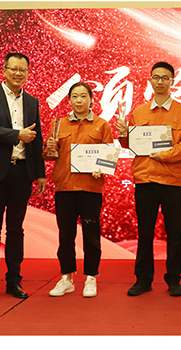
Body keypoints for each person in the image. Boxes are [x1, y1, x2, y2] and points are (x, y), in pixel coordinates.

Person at [116, 62, 181, 296]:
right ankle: (143, 279)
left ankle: (174, 279)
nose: (160, 81)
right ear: (150, 80)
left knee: (174, 233)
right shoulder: (139, 112)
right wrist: (124, 134)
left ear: (172, 82)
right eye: (156, 77)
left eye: (165, 78)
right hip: (146, 180)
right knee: (145, 232)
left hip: (173, 182)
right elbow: (131, 145)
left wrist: (165, 155)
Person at [0, 53, 47, 302]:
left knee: (16, 230)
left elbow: (36, 139)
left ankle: (14, 280)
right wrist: (16, 135)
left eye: (22, 70)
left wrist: (40, 174)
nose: (18, 73)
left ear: (28, 73)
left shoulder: (32, 101)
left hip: (21, 173)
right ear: (4, 70)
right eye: (13, 68)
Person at [43, 82, 114, 298]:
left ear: (91, 99)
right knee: (66, 235)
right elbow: (48, 155)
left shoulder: (102, 125)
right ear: (69, 100)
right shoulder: (59, 124)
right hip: (64, 187)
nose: (79, 100)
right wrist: (50, 148)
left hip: (90, 188)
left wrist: (101, 169)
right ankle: (67, 277)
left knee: (91, 235)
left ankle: (91, 277)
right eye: (75, 96)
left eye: (83, 96)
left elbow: (108, 157)